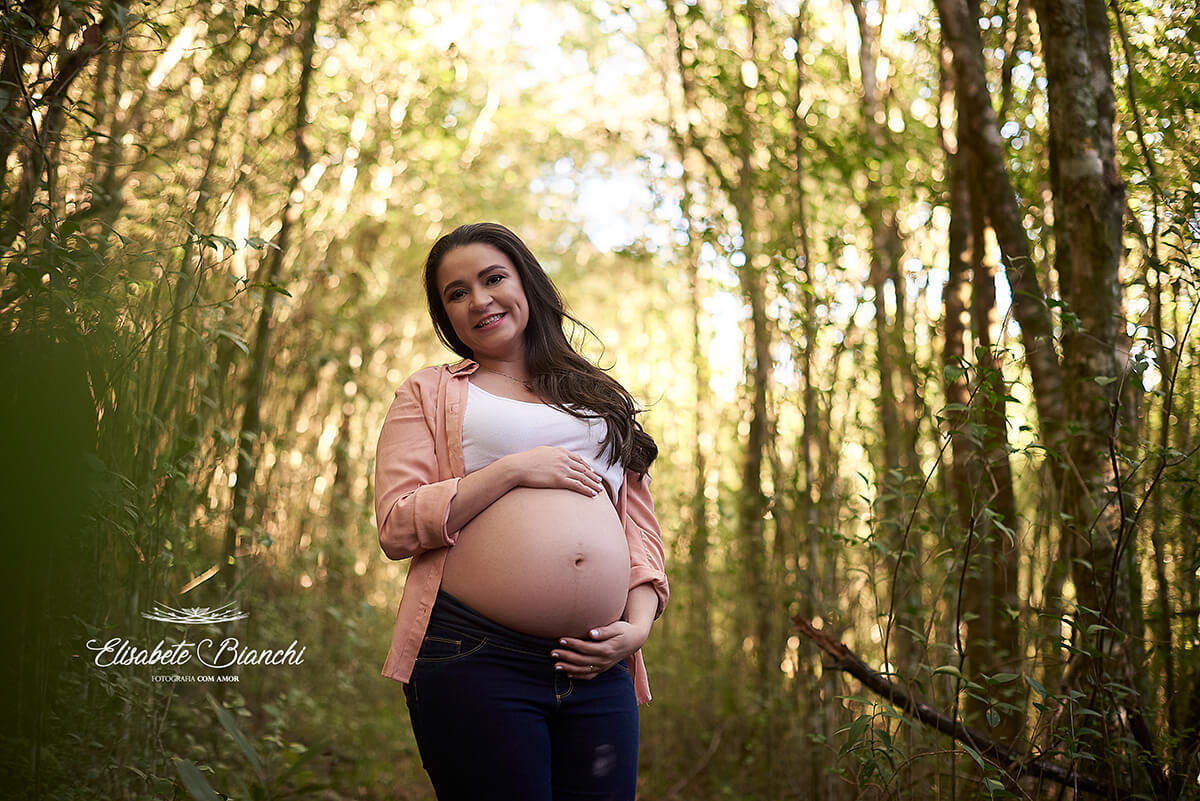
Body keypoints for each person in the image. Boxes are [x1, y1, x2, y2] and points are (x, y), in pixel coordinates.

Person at [373, 222, 669, 801]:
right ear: (445, 315)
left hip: (599, 666)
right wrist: (511, 471)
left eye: (493, 279)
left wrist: (635, 630)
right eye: (457, 293)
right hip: (477, 656)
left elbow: (638, 531)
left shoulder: (601, 400)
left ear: (525, 283)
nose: (479, 300)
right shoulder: (429, 392)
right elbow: (397, 524)